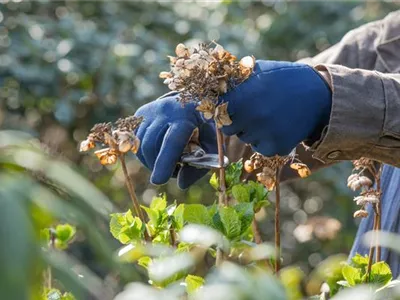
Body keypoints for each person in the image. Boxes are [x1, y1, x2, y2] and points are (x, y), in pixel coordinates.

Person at [134, 11, 400, 275]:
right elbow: (290, 89)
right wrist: (208, 115)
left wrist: (329, 98)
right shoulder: (390, 38)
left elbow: (320, 92)